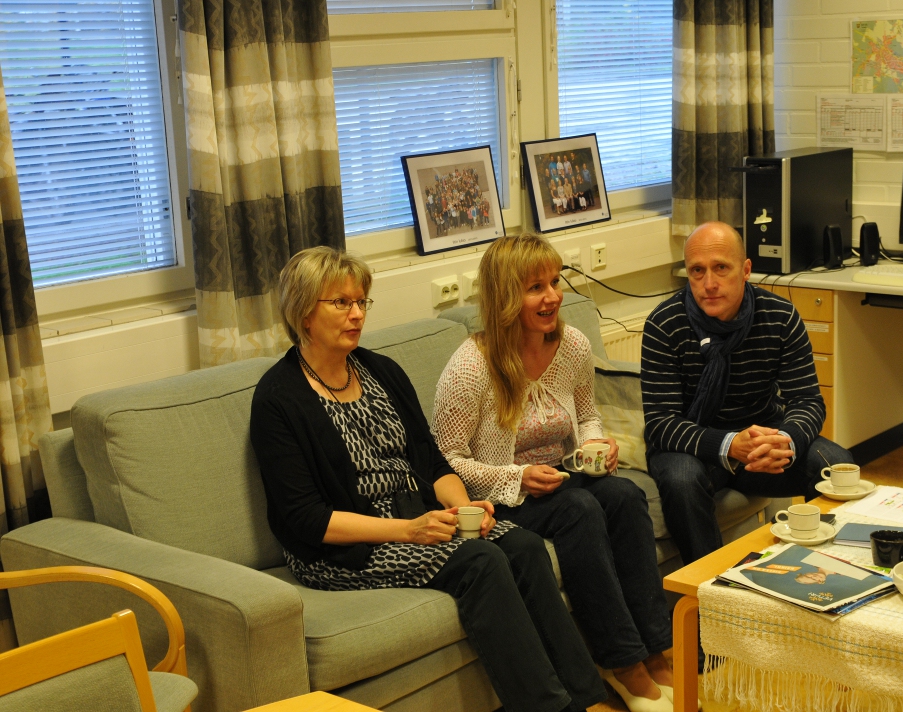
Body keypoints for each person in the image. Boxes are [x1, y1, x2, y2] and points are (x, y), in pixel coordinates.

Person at [250, 246, 606, 712]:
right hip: (345, 549)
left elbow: (432, 461)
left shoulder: (380, 371)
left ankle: (586, 697)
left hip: (419, 517)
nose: (357, 314)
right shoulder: (278, 399)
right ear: (303, 314)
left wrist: (462, 507)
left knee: (522, 545)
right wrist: (409, 531)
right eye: (341, 303)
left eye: (361, 302)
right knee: (480, 561)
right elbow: (305, 519)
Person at [434, 234, 676, 712]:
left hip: (563, 476)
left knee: (625, 496)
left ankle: (654, 649)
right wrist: (517, 477)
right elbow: (447, 462)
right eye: (535, 288)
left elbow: (588, 414)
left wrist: (596, 445)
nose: (552, 297)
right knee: (580, 509)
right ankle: (621, 663)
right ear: (506, 298)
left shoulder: (572, 346)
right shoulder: (470, 368)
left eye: (554, 281)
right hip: (502, 495)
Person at [641, 221, 853, 565]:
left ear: (745, 270)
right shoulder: (664, 324)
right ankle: (708, 584)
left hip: (762, 442)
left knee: (837, 465)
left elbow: (807, 401)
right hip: (693, 445)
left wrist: (785, 440)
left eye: (721, 268)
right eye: (697, 271)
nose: (709, 283)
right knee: (681, 479)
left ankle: (827, 567)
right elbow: (661, 423)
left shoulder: (780, 317)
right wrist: (728, 444)